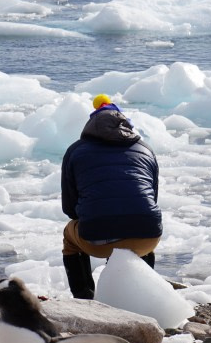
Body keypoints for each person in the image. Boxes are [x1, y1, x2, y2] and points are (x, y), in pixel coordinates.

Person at [60, 94, 162, 299]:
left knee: (70, 236)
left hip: (96, 241)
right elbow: (152, 199)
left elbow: (69, 209)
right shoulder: (145, 149)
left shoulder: (76, 151)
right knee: (142, 225)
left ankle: (85, 297)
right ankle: (142, 296)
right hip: (148, 239)